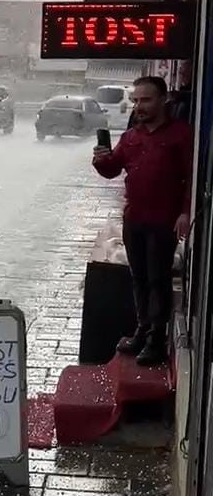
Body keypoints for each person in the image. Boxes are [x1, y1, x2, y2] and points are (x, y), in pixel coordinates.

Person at [92, 75, 193, 366]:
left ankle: (156, 340)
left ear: (164, 101)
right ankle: (142, 329)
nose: (139, 106)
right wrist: (101, 158)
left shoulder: (180, 135)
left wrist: (185, 212)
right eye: (136, 101)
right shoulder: (132, 136)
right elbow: (112, 170)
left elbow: (190, 178)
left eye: (146, 100)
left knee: (157, 278)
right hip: (134, 217)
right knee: (139, 278)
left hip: (163, 220)